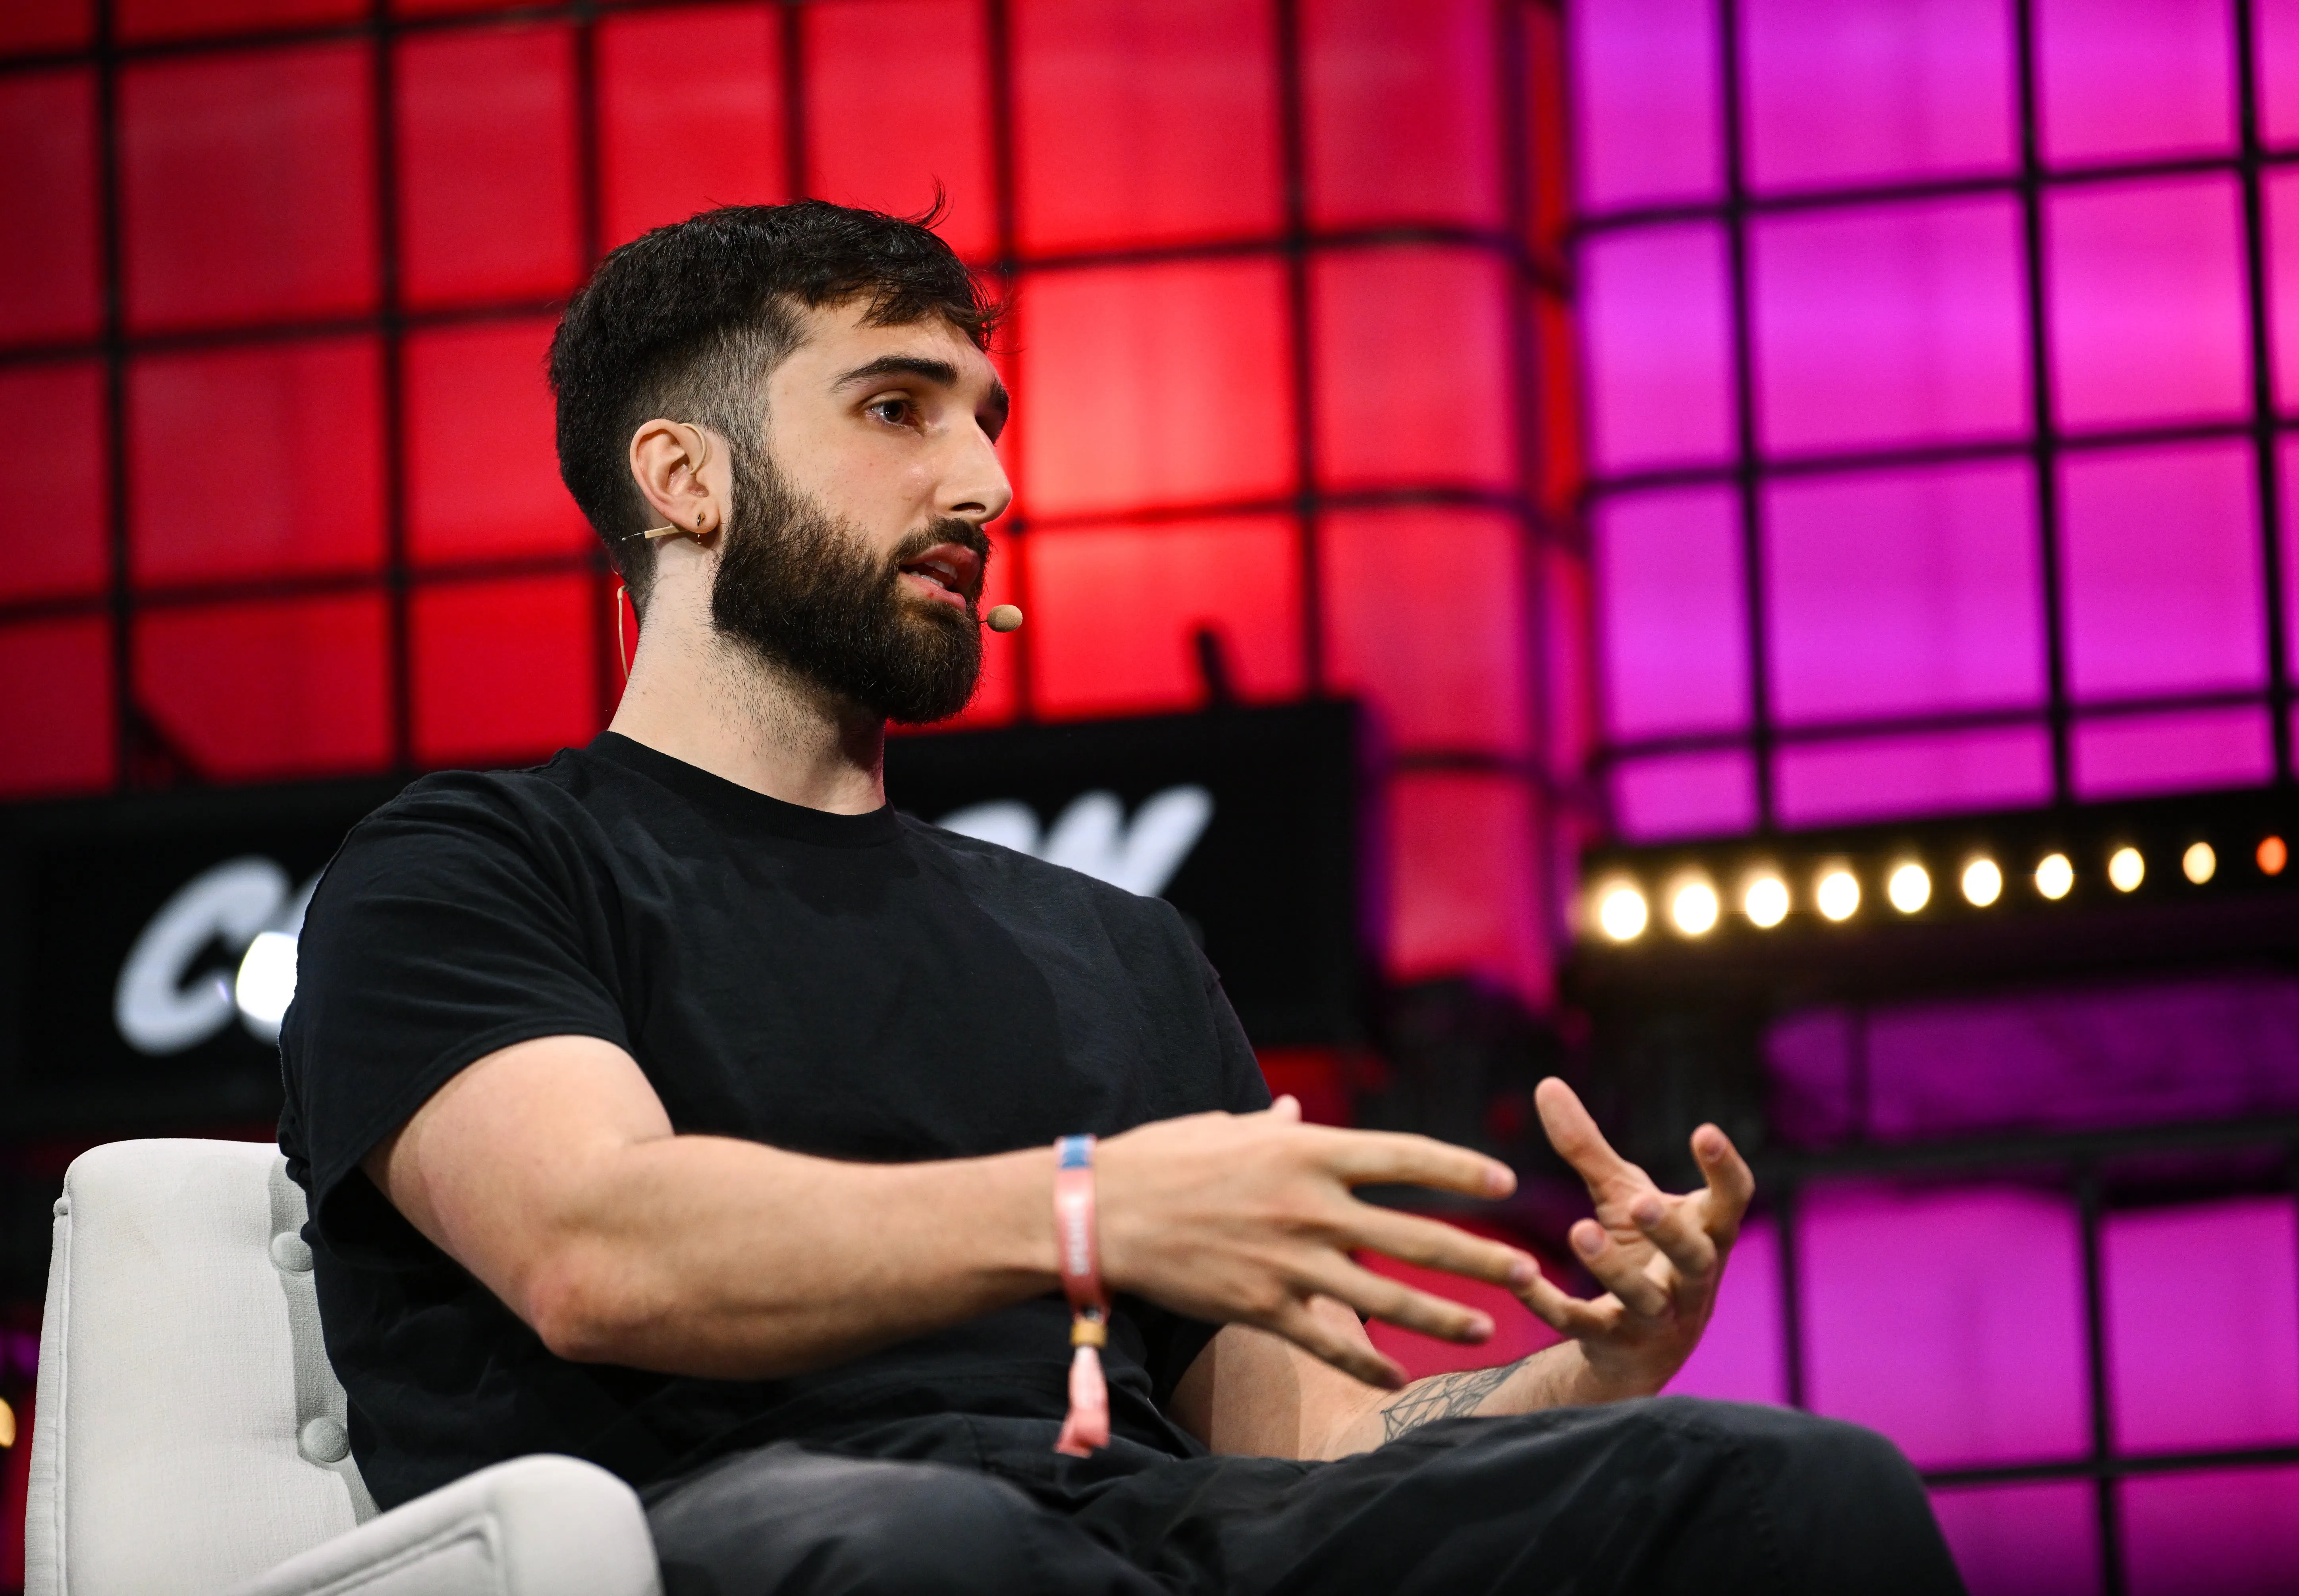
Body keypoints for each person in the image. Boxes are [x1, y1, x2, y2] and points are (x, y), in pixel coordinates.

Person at [279, 200, 1963, 1595]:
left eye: (985, 424)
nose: (986, 489)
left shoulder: (1113, 947)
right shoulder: (471, 868)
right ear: (685, 478)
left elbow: (1310, 1459)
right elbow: (597, 1247)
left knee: (1791, 1487)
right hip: (753, 1532)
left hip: (1149, 1538)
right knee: (923, 1548)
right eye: (896, 410)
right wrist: (1088, 1212)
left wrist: (1584, 1367)